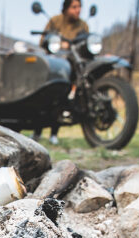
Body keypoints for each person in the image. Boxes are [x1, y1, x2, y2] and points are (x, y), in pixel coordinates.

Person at [33, 0, 88, 145]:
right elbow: (43, 41)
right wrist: (57, 43)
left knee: (62, 101)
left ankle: (54, 134)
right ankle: (37, 132)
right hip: (54, 68)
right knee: (44, 100)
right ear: (66, 8)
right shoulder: (55, 21)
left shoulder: (83, 25)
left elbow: (87, 45)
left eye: (80, 7)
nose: (78, 10)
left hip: (72, 68)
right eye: (74, 7)